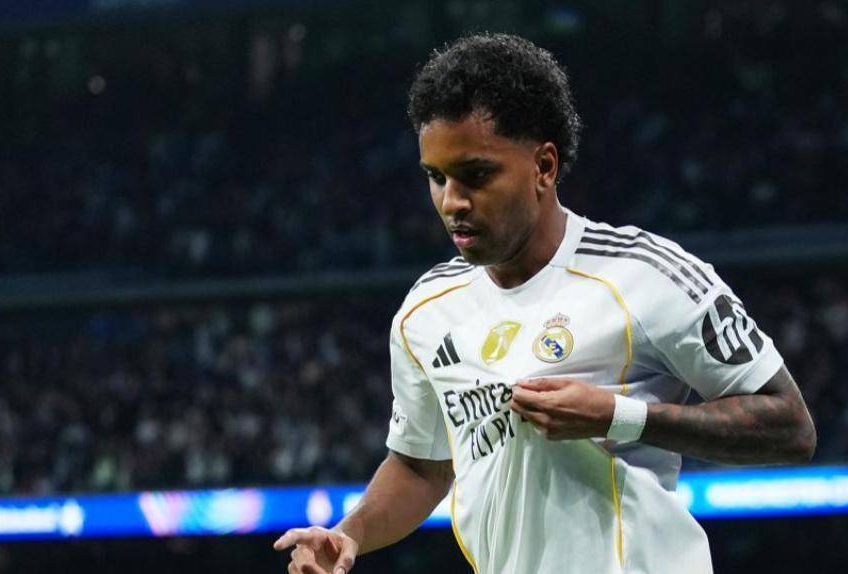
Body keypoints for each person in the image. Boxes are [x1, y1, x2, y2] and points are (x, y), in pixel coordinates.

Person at [274, 32, 816, 574]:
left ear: (544, 167)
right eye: (436, 178)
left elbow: (790, 426)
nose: (452, 201)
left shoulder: (644, 273)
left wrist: (618, 417)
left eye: (476, 175)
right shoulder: (426, 311)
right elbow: (421, 467)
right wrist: (349, 534)